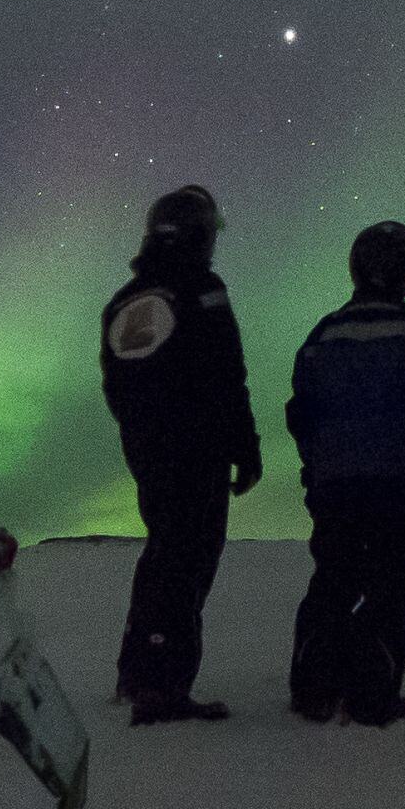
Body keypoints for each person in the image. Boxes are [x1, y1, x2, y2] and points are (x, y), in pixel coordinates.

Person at [283, 220, 405, 726]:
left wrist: (313, 467)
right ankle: (371, 693)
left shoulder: (324, 331)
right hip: (398, 482)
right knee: (390, 583)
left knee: (333, 579)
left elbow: (301, 410)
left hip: (334, 482)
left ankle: (312, 688)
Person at [100, 183, 262, 725]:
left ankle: (136, 670)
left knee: (163, 553)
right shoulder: (202, 289)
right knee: (188, 560)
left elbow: (117, 386)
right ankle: (164, 687)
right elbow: (226, 374)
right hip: (197, 451)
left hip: (149, 453)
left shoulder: (123, 302)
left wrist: (145, 437)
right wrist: (245, 445)